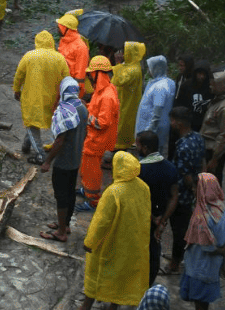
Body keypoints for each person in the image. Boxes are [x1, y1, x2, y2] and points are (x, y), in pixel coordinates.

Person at [80, 151, 152, 310]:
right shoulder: (143, 187)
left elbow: (101, 222)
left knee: (95, 281)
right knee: (120, 282)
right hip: (132, 245)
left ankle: (85, 307)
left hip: (110, 244)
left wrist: (89, 243)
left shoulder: (113, 192)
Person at [39, 77, 88, 243]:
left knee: (61, 195)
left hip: (63, 161)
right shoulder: (82, 108)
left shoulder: (65, 110)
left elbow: (59, 140)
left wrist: (48, 161)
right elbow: (85, 133)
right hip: (75, 159)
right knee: (70, 192)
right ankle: (65, 224)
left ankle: (61, 232)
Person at [13, 30, 70, 163]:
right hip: (52, 99)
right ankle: (26, 145)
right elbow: (66, 78)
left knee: (32, 123)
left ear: (37, 42)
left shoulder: (30, 56)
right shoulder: (59, 58)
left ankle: (40, 154)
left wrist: (16, 89)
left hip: (32, 98)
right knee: (32, 123)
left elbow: (19, 74)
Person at [179, 173, 225, 310]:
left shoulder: (201, 215)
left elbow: (206, 247)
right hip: (212, 267)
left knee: (200, 304)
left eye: (196, 187)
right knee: (204, 303)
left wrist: (221, 251)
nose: (193, 189)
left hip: (199, 266)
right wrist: (224, 258)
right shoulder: (221, 207)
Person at [136, 130, 179, 287]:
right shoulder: (170, 168)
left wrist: (152, 217)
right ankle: (148, 285)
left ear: (146, 148)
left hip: (141, 219)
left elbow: (138, 200)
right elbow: (174, 196)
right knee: (154, 252)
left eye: (138, 144)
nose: (135, 147)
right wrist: (162, 220)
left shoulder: (139, 170)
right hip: (159, 217)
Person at [166, 106, 205, 274]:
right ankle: (177, 257)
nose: (171, 124)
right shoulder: (198, 138)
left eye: (172, 121)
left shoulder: (183, 147)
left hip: (182, 195)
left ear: (179, 123)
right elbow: (203, 161)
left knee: (179, 229)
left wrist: (194, 190)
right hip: (194, 189)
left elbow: (186, 175)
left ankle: (175, 264)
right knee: (183, 227)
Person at [78, 56, 119, 211]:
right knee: (87, 168)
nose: (89, 76)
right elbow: (95, 107)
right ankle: (87, 191)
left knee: (92, 171)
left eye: (91, 73)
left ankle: (93, 200)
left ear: (98, 74)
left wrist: (85, 115)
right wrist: (86, 105)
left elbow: (102, 122)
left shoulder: (107, 95)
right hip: (92, 138)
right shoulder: (102, 90)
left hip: (97, 141)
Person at [201, 72, 225, 185]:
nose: (210, 86)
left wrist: (214, 159)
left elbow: (224, 136)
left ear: (223, 86)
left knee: (213, 181)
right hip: (208, 148)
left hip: (214, 151)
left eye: (213, 84)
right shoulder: (217, 102)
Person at [136, 56, 176, 154]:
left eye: (150, 67)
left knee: (149, 156)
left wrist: (148, 133)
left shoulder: (160, 87)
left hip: (151, 131)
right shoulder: (165, 82)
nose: (148, 70)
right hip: (152, 129)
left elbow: (157, 112)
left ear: (156, 68)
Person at [112, 41, 146, 151]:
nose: (122, 54)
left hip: (126, 104)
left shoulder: (133, 70)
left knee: (122, 126)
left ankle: (119, 150)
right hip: (122, 100)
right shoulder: (130, 65)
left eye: (124, 52)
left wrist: (117, 63)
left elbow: (119, 80)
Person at [55, 13, 89, 94]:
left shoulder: (80, 47)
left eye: (59, 27)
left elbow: (81, 71)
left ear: (66, 28)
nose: (58, 29)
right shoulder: (63, 40)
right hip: (61, 81)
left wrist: (75, 90)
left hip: (71, 85)